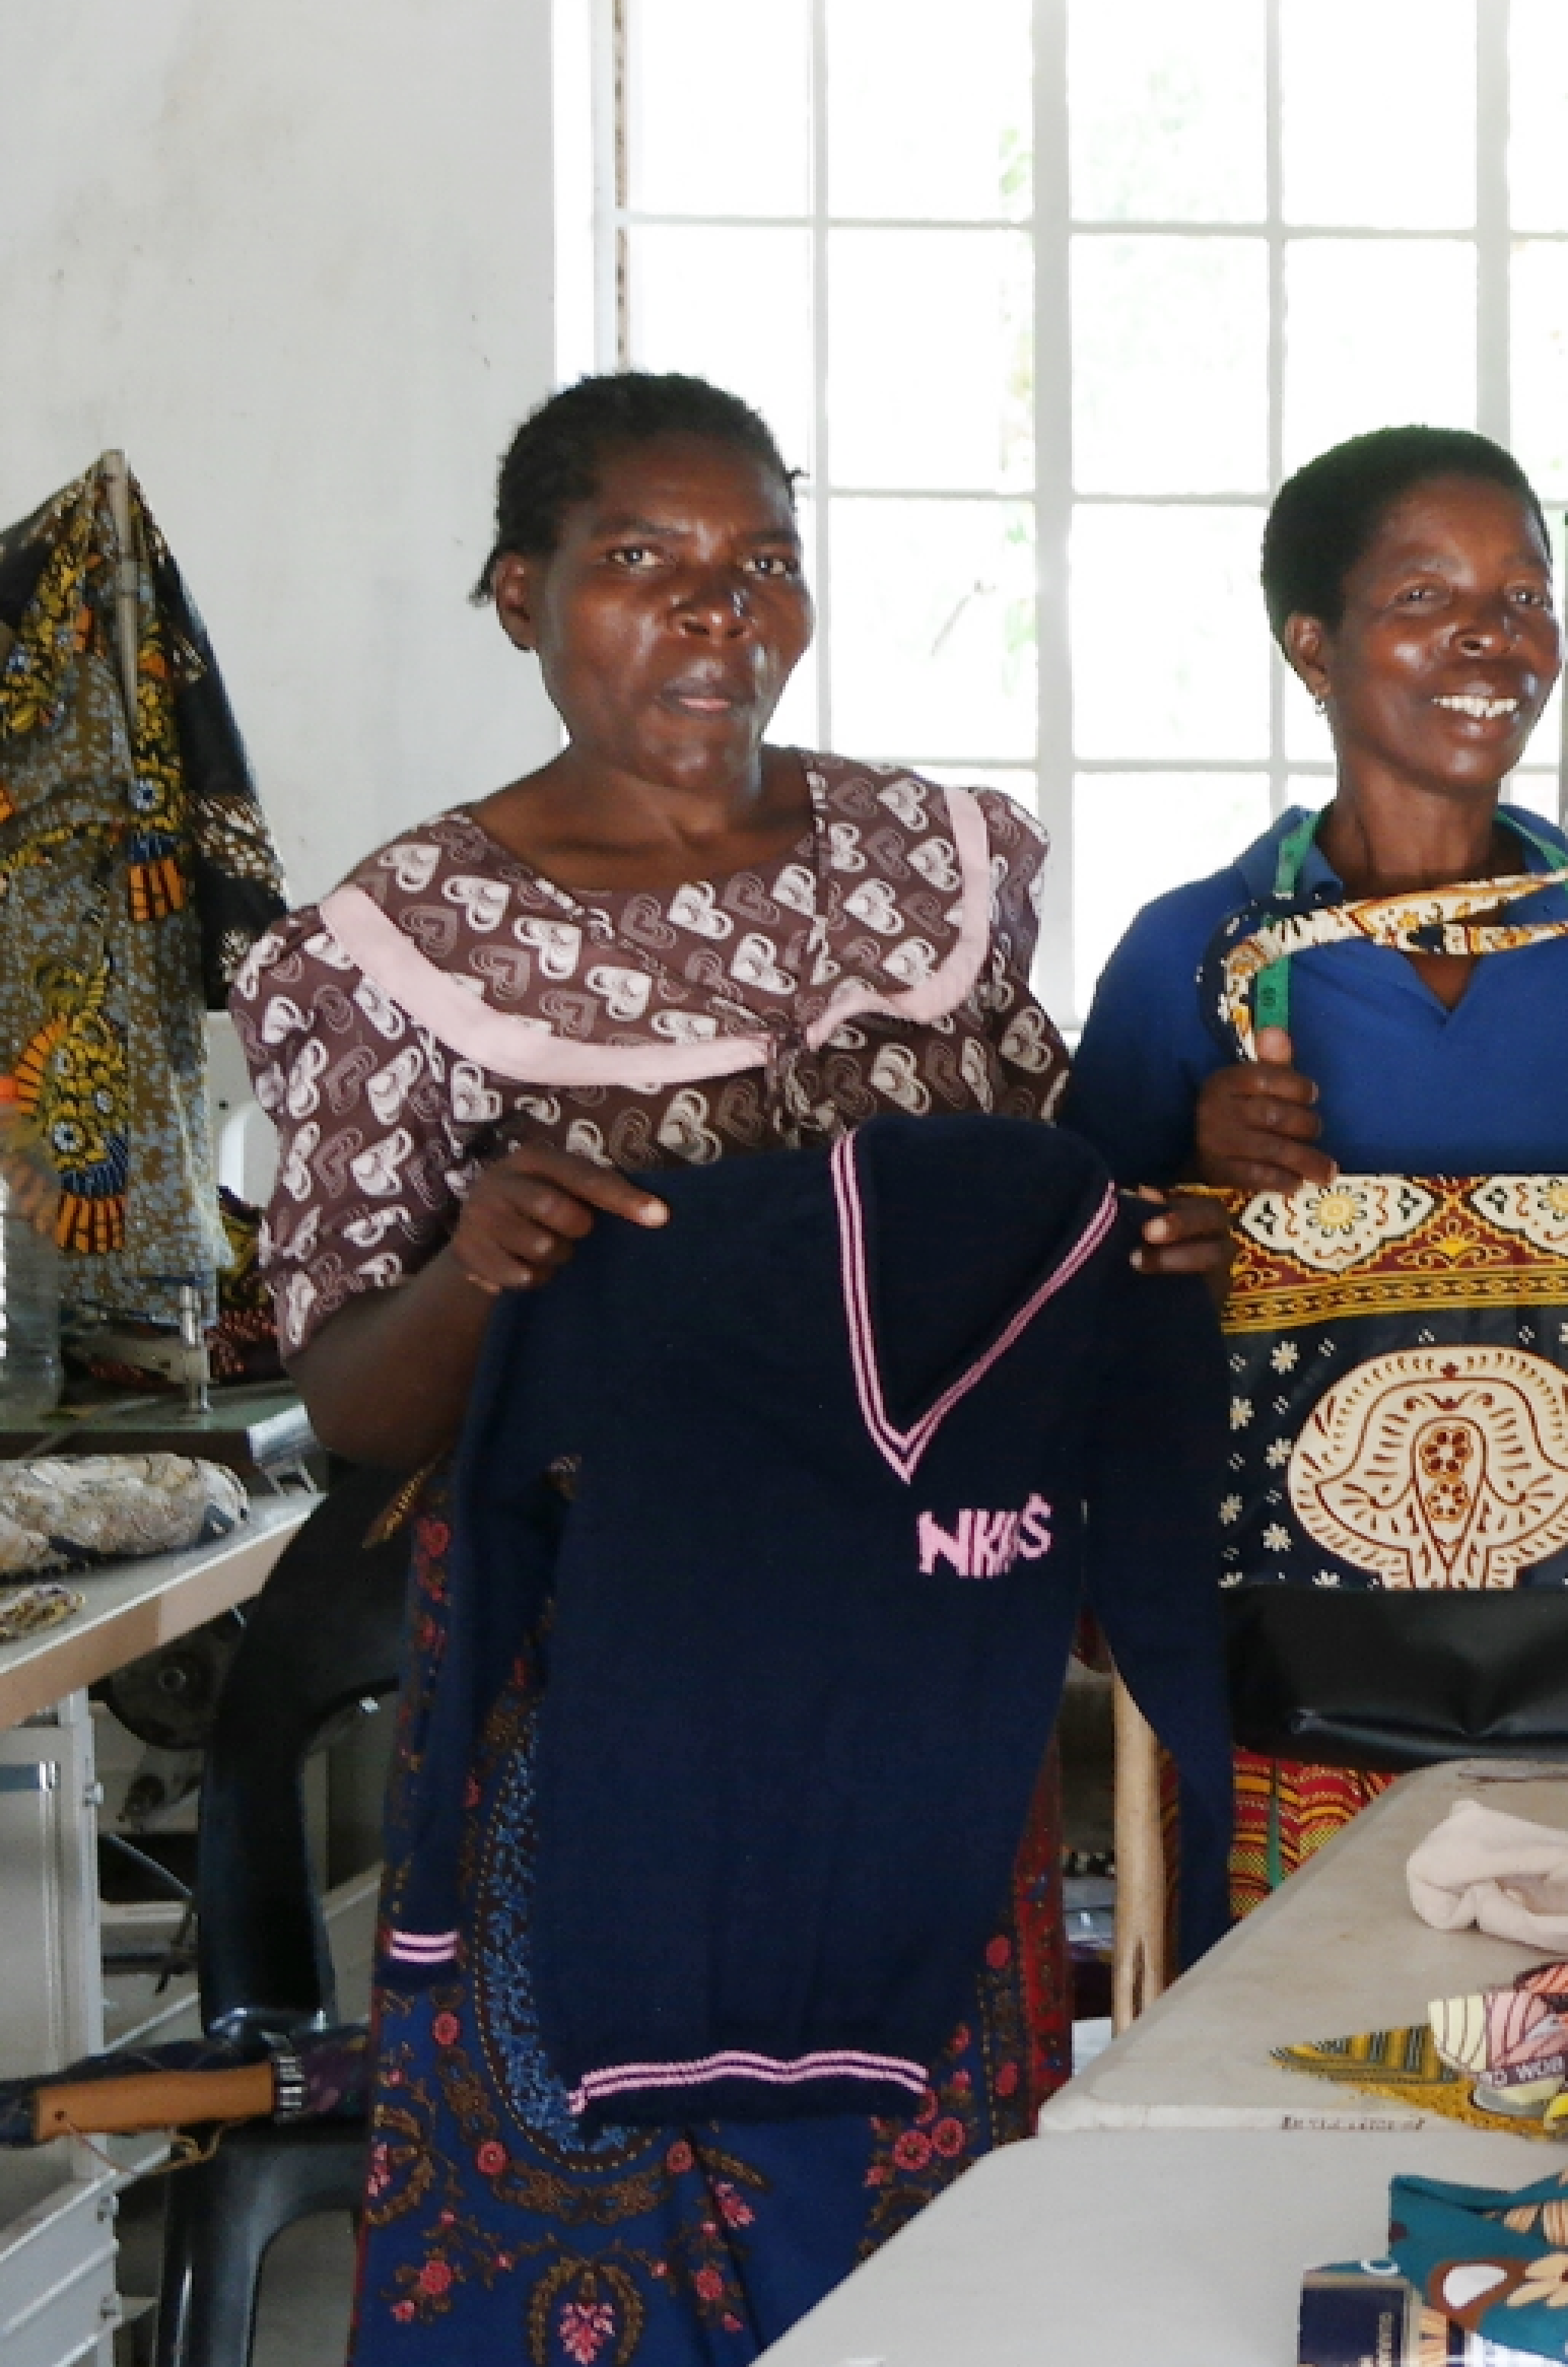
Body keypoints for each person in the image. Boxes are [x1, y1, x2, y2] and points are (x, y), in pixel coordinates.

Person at [242, 372, 1076, 2362]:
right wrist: (477, 1271)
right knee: (611, 2204)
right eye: (642, 558)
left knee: (927, 2217)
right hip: (591, 1690)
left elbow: (1041, 1224)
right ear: (518, 593)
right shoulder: (402, 947)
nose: (718, 609)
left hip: (919, 1664)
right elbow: (351, 1406)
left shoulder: (933, 869)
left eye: (761, 560)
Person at [1071, 422, 1568, 1901]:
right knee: (1301, 2007)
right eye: (1423, 596)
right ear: (1313, 647)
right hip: (1296, 1639)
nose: (1491, 637)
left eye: (1523, 596)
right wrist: (1190, 1179)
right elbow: (1067, 1284)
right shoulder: (1197, 951)